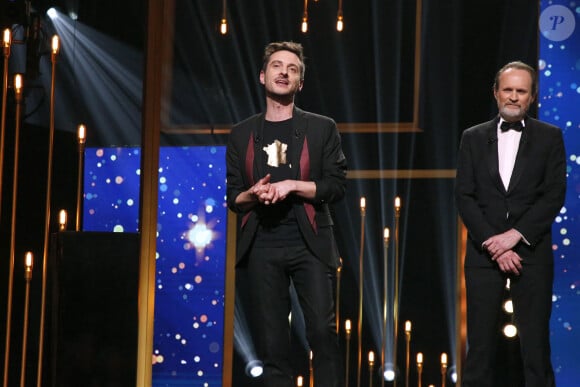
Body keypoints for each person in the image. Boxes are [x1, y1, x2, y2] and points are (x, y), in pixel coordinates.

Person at [226, 41, 347, 387]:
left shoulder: (322, 128)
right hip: (262, 244)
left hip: (309, 242)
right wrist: (253, 193)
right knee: (272, 343)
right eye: (277, 66)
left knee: (323, 333)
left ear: (300, 83)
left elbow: (336, 185)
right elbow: (234, 196)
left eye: (292, 69)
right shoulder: (242, 133)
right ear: (263, 76)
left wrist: (293, 185)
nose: (284, 72)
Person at [455, 61, 567, 386]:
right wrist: (495, 243)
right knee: (479, 351)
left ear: (531, 97)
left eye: (521, 91)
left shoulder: (550, 137)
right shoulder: (472, 138)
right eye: (508, 90)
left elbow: (553, 195)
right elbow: (464, 195)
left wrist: (515, 236)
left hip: (532, 254)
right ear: (496, 93)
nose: (514, 97)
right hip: (483, 255)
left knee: (535, 350)